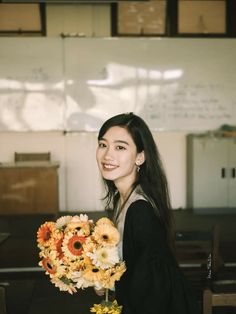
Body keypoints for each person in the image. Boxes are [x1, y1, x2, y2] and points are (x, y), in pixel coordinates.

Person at [95, 112, 199, 314]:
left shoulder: (140, 210)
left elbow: (151, 289)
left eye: (120, 147)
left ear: (140, 157)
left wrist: (108, 283)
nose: (107, 155)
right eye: (102, 145)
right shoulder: (122, 198)